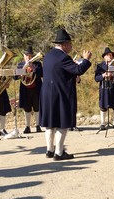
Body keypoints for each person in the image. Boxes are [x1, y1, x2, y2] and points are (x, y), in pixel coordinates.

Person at [39, 29, 92, 160]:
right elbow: (79, 69)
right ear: (64, 44)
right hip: (59, 94)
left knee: (49, 123)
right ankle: (59, 152)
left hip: (46, 94)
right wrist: (86, 60)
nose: (71, 47)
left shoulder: (48, 56)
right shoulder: (63, 57)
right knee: (63, 122)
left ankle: (49, 150)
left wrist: (74, 76)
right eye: (69, 44)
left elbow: (60, 73)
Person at [16, 46, 43, 134]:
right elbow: (15, 77)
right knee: (26, 108)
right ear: (24, 56)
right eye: (26, 55)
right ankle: (27, 126)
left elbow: (42, 73)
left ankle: (38, 125)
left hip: (36, 89)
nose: (28, 57)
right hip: (25, 90)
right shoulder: (20, 64)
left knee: (37, 107)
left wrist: (34, 68)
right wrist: (23, 68)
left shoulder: (37, 64)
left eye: (30, 55)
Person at [95, 47, 114, 130]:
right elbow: (96, 78)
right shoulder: (100, 66)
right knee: (103, 105)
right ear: (104, 57)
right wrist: (103, 75)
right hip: (104, 87)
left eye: (110, 55)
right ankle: (103, 123)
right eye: (107, 55)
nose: (109, 56)